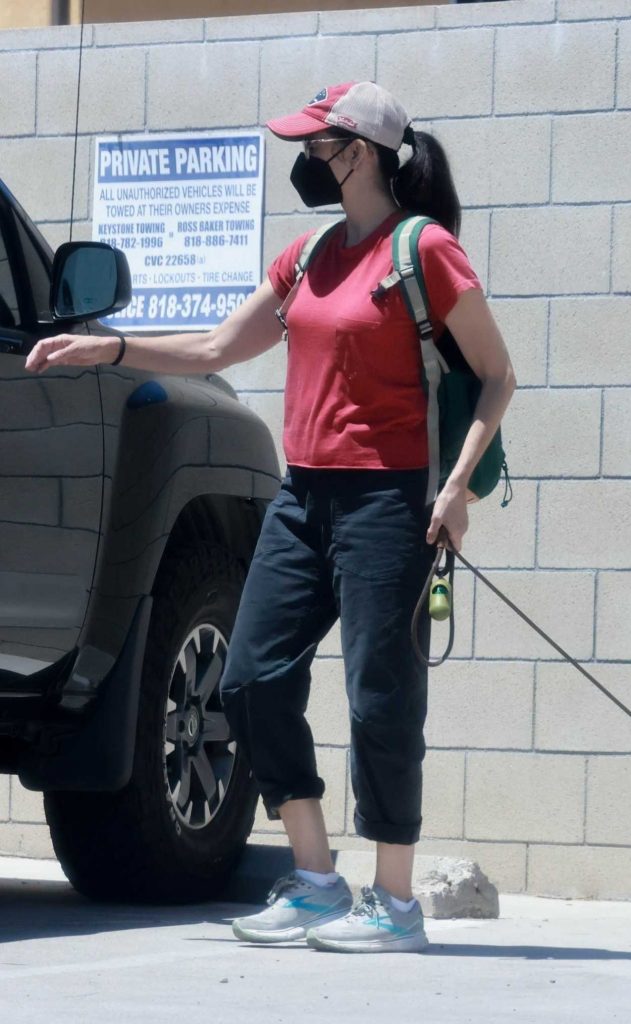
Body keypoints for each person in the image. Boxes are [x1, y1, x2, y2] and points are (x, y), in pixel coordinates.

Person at [26, 81, 515, 954]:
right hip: (303, 499)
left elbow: (497, 376)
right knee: (248, 679)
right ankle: (317, 879)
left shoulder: (423, 251)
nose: (304, 159)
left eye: (314, 145)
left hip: (389, 501)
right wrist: (108, 345)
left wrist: (452, 493)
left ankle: (394, 904)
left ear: (355, 153)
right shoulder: (310, 253)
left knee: (381, 699)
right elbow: (217, 346)